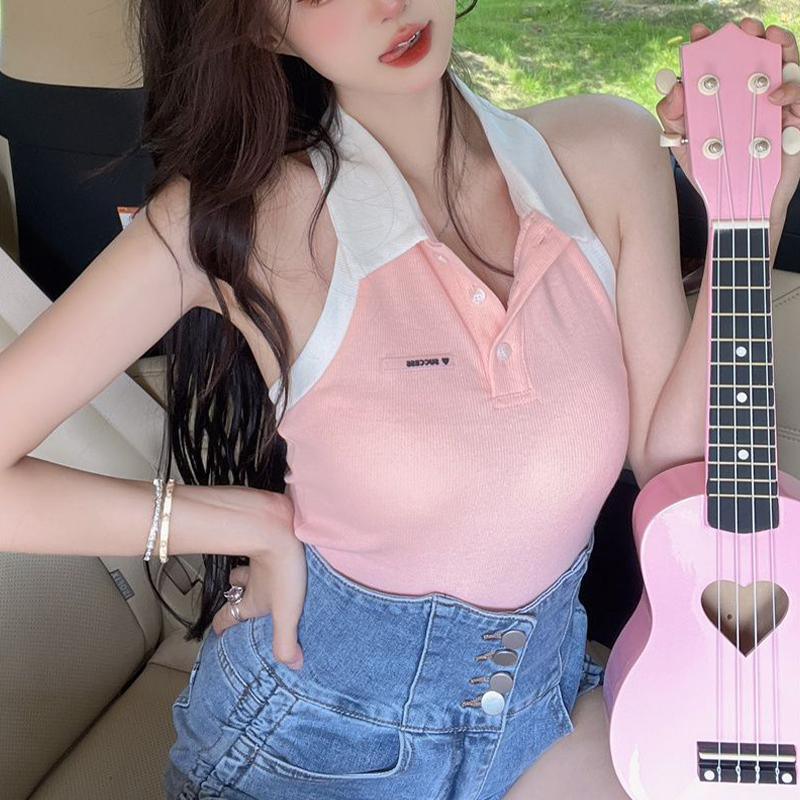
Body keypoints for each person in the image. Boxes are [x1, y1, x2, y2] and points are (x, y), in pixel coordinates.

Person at [1, 0, 799, 797]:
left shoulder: (607, 152)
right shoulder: (228, 221)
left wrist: (747, 218)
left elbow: (675, 466)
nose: (387, 4)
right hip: (313, 744)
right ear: (256, 24)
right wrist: (247, 523)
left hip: (538, 709)